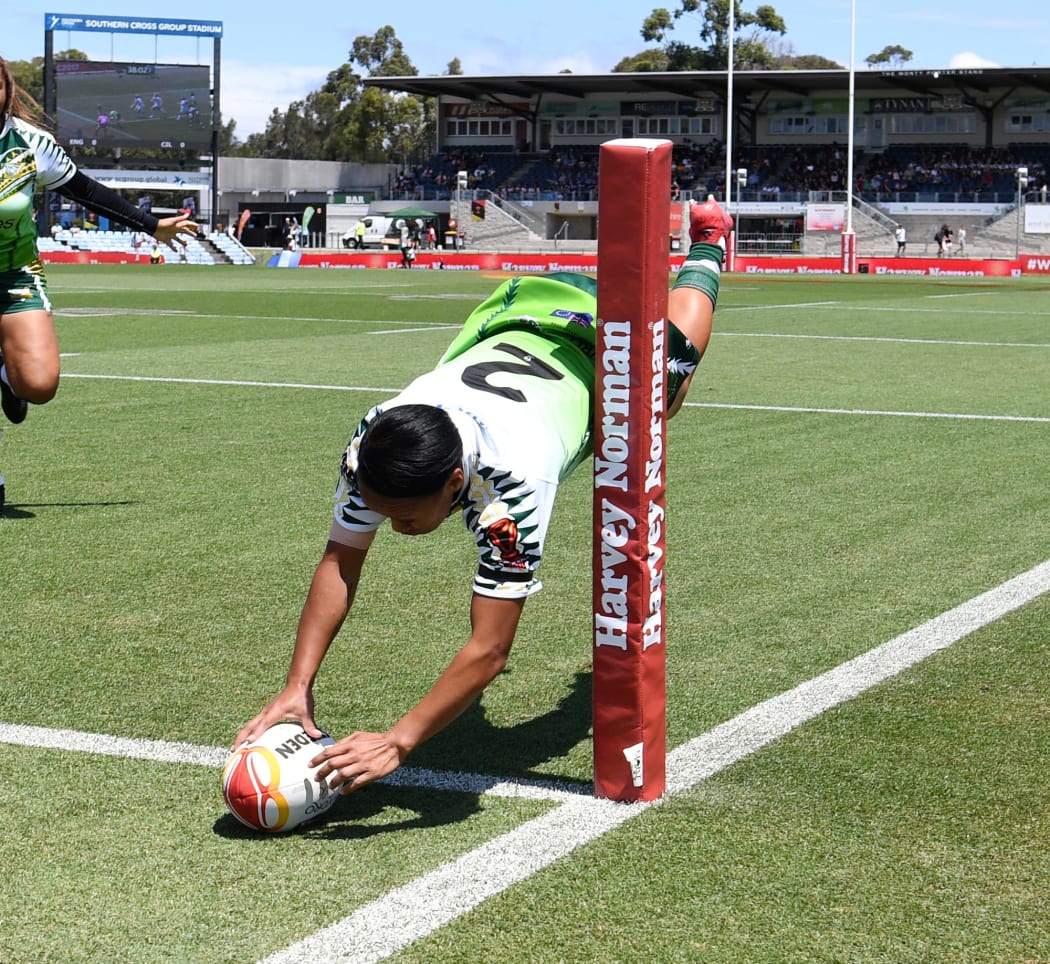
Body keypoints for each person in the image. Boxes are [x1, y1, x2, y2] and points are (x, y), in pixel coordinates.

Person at [232, 196, 734, 795]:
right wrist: (297, 685)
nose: (394, 529)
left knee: (667, 396)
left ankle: (708, 243)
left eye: (405, 518)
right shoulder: (373, 440)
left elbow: (491, 648)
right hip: (520, 308)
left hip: (597, 342)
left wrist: (399, 740)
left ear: (455, 482)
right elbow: (341, 560)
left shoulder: (513, 488)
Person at [0, 57, 198, 432]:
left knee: (39, 385)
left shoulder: (30, 143)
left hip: (14, 274)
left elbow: (87, 191)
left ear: (7, 91)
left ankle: (8, 374)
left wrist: (152, 225)